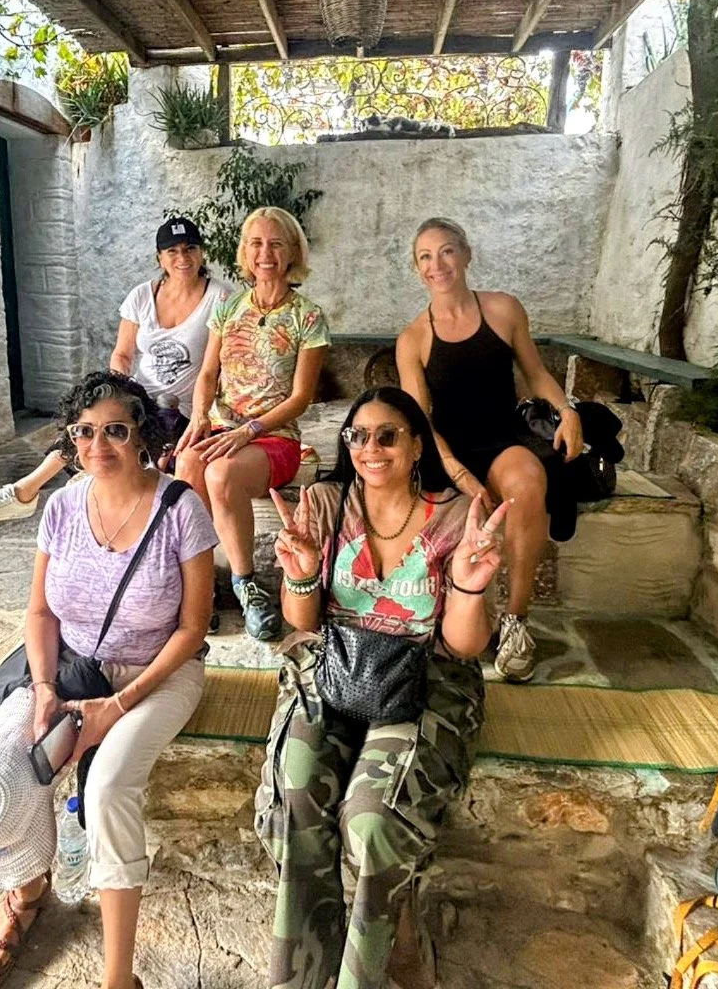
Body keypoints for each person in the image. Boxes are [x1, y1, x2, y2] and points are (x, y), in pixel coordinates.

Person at [0, 371, 217, 989]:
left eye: (115, 431)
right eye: (84, 433)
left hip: (158, 676)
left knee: (110, 785)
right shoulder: (62, 506)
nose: (98, 446)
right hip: (68, 669)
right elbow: (40, 613)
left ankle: (119, 978)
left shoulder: (180, 508)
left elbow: (193, 630)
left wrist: (117, 706)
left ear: (142, 435)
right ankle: (28, 893)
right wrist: (43, 691)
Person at [256, 386, 510, 989]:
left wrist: (471, 586)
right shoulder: (325, 501)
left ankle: (369, 967)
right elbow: (303, 624)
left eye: (388, 435)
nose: (371, 448)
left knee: (371, 819)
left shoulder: (453, 515)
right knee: (297, 797)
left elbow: (464, 645)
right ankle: (301, 976)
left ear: (417, 443)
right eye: (358, 436)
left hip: (425, 676)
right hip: (332, 668)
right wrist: (301, 576)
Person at [396, 217, 583, 682]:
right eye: (425, 256)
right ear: (417, 269)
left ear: (466, 254)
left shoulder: (504, 310)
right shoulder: (413, 338)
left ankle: (516, 620)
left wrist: (567, 409)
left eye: (446, 251)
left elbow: (535, 373)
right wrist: (459, 473)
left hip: (500, 439)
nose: (436, 264)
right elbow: (419, 420)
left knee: (528, 481)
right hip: (445, 449)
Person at [0, 217, 229, 525]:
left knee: (125, 434)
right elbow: (122, 353)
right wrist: (121, 388)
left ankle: (44, 492)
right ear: (159, 257)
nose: (182, 258)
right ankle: (23, 491)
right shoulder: (142, 296)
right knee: (92, 416)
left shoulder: (219, 297)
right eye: (172, 251)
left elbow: (212, 368)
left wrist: (204, 411)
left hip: (183, 408)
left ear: (202, 252)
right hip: (138, 395)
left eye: (190, 248)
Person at [174, 206, 330, 643]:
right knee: (187, 467)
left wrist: (250, 430)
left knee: (220, 473)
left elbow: (300, 398)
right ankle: (198, 592)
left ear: (292, 252)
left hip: (274, 439)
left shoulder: (308, 317)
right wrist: (201, 416)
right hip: (223, 429)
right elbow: (207, 375)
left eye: (276, 243)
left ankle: (247, 586)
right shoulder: (228, 309)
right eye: (256, 243)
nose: (266, 253)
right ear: (245, 252)